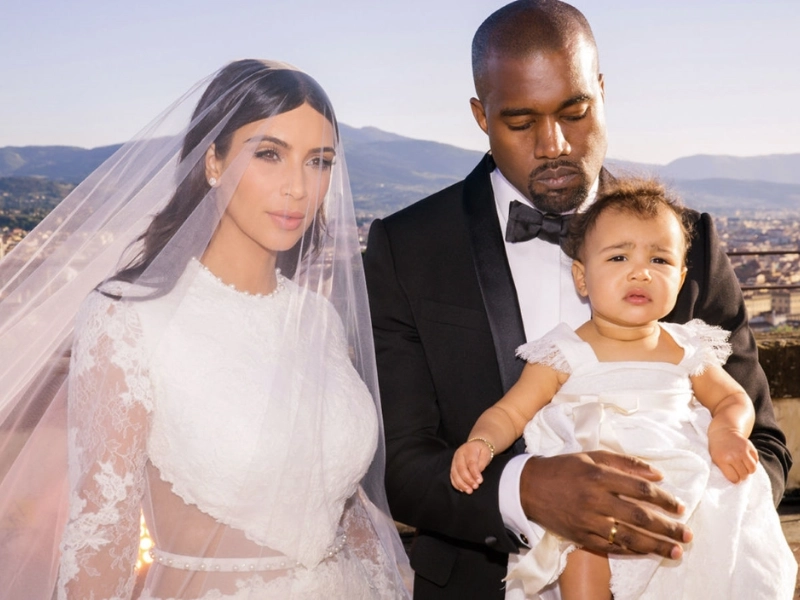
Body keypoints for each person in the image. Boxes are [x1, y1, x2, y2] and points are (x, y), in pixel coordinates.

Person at [362, 1, 791, 598]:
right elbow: (401, 464)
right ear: (481, 116)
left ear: (602, 92)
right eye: (520, 122)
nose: (555, 144)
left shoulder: (687, 241)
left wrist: (686, 526)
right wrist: (525, 491)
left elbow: (763, 444)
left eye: (575, 112)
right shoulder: (407, 246)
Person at [0, 59, 411, 599]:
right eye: (269, 154)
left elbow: (343, 503)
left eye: (319, 161)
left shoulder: (320, 320)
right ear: (212, 161)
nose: (297, 186)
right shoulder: (128, 319)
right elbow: (102, 538)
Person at [451, 179, 797, 599]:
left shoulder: (687, 347)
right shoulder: (562, 353)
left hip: (680, 486)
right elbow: (510, 412)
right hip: (593, 492)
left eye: (659, 259)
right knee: (581, 546)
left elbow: (732, 398)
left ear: (680, 278)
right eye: (619, 257)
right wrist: (482, 443)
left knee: (708, 553)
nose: (641, 271)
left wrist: (727, 430)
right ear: (582, 277)